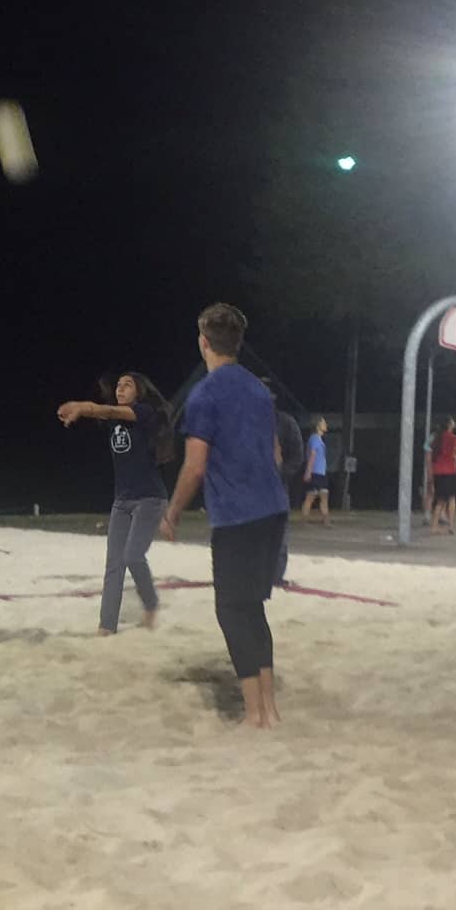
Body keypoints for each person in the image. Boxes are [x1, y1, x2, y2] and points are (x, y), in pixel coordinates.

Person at [160, 304, 289, 730]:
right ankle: (269, 708)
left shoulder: (205, 395)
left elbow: (195, 466)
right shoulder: (257, 389)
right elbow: (275, 453)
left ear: (203, 342)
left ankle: (254, 713)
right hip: (273, 508)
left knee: (231, 610)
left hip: (238, 516)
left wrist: (173, 512)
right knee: (252, 608)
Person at [57, 372, 172, 634]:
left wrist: (82, 407)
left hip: (150, 498)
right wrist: (82, 411)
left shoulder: (143, 413)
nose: (120, 389)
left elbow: (106, 411)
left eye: (127, 385)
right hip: (122, 501)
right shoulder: (112, 419)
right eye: (118, 385)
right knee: (114, 564)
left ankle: (151, 603)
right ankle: (106, 626)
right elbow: (105, 412)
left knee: (133, 555)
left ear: (139, 393)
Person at [271, 388, 305, 586]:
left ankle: (275, 576)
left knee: (278, 532)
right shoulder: (243, 422)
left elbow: (297, 456)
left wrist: (281, 472)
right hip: (248, 486)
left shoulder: (286, 423)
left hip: (276, 485)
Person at [300, 416, 331, 525]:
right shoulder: (314, 438)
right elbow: (312, 456)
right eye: (323, 422)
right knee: (310, 498)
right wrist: (308, 472)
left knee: (324, 497)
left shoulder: (319, 439)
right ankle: (304, 521)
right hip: (315, 473)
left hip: (321, 473)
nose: (326, 424)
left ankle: (326, 521)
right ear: (318, 425)